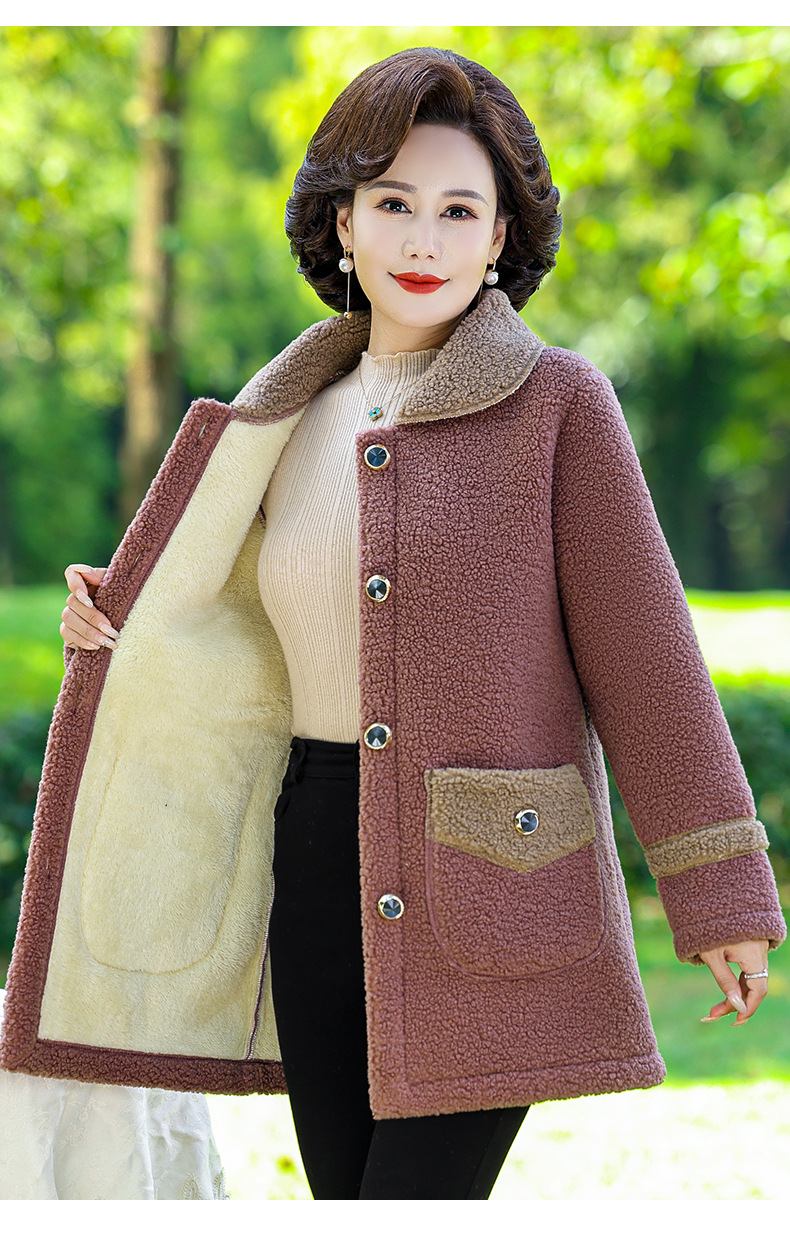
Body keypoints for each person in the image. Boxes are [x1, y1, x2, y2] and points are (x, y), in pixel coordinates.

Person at [1, 47, 785, 1202]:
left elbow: (647, 659)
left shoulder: (558, 405)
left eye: (458, 210)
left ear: (502, 235)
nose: (424, 240)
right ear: (344, 222)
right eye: (393, 203)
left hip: (493, 880)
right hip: (312, 862)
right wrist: (117, 611)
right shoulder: (275, 419)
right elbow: (227, 626)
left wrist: (720, 892)